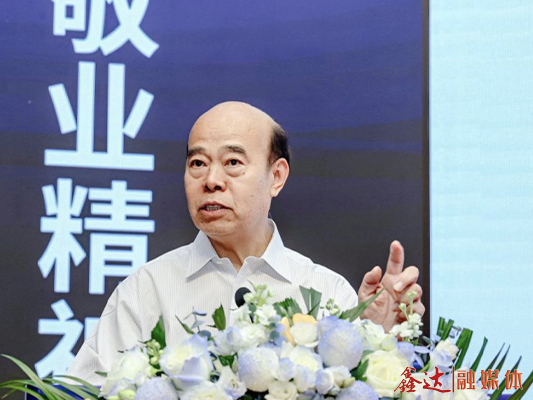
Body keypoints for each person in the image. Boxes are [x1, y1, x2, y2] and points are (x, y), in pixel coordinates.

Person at [66, 101, 424, 384]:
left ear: (276, 176)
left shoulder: (326, 293)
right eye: (197, 163)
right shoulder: (147, 290)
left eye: (233, 162)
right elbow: (81, 390)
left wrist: (378, 342)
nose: (211, 180)